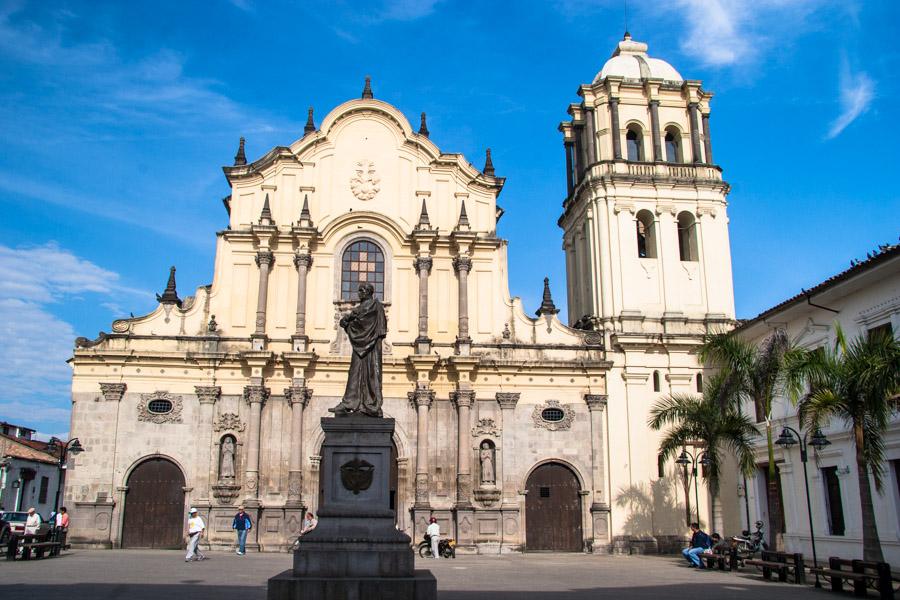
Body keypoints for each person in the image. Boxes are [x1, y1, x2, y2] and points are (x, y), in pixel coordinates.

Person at [329, 282, 387, 417]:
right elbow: (345, 323)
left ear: (368, 292)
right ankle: (349, 402)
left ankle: (370, 404)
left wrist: (351, 321)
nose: (359, 293)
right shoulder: (359, 308)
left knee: (371, 375)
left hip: (371, 348)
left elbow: (374, 327)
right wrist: (349, 321)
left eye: (361, 290)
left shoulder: (375, 306)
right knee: (354, 373)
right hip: (361, 346)